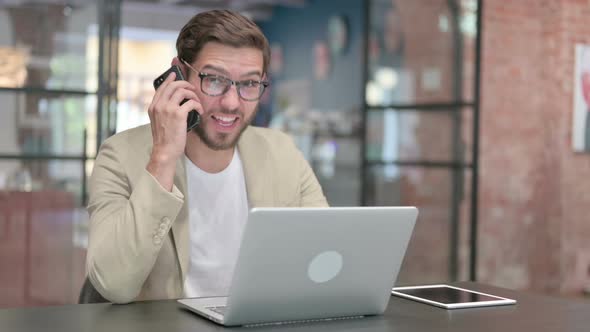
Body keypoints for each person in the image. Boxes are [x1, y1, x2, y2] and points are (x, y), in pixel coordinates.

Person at [85, 9, 328, 304]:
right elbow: (113, 285)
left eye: (249, 83)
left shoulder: (281, 151)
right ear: (179, 73)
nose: (231, 102)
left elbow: (324, 257)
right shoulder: (118, 157)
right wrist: (162, 157)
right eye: (214, 80)